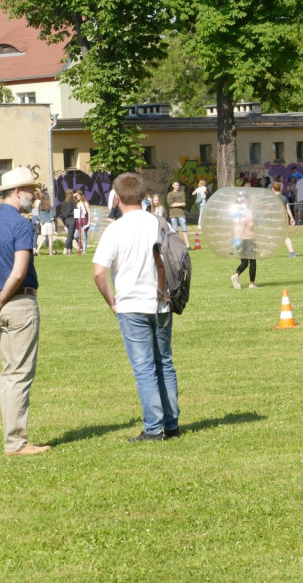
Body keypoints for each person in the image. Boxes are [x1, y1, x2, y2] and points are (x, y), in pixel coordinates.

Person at [92, 172, 181, 443]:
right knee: (164, 362)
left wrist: (112, 303)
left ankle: (153, 429)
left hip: (131, 305)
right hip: (161, 301)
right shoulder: (161, 223)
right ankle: (171, 423)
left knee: (144, 368)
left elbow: (99, 273)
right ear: (144, 196)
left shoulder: (116, 229)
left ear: (116, 198)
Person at [0, 167, 50, 456]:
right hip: (18, 303)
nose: (34, 196)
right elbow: (18, 271)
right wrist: (1, 299)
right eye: (30, 190)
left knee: (8, 373)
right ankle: (16, 442)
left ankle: (13, 437)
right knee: (19, 374)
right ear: (16, 192)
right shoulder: (22, 224)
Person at [230, 193, 257, 289]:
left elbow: (234, 227)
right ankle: (252, 283)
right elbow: (250, 225)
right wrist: (254, 220)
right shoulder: (247, 211)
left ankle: (236, 275)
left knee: (244, 262)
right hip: (248, 238)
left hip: (238, 240)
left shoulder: (236, 213)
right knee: (252, 261)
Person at [272, 182, 297, 258]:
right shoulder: (284, 198)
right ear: (280, 188)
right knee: (285, 236)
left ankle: (263, 253)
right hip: (282, 219)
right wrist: (292, 218)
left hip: (274, 219)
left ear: (273, 189)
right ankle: (292, 253)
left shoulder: (272, 198)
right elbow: (288, 209)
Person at [166, 181, 191, 247]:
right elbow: (170, 204)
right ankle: (179, 245)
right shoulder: (170, 194)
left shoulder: (182, 193)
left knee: (184, 229)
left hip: (181, 213)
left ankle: (188, 245)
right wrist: (180, 204)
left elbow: (184, 203)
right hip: (173, 214)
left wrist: (176, 204)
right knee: (175, 230)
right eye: (176, 185)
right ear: (173, 186)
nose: (177, 186)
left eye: (178, 185)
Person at [34, 192, 56, 256]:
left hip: (42, 223)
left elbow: (37, 215)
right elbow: (51, 217)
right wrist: (53, 224)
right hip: (49, 223)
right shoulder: (50, 206)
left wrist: (38, 220)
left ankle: (37, 250)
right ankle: (50, 252)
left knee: (43, 237)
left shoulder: (40, 206)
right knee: (50, 238)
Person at [59, 189, 77, 255]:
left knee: (70, 234)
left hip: (66, 220)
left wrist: (64, 222)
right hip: (72, 219)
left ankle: (70, 250)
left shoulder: (64, 202)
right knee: (70, 235)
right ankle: (65, 249)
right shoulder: (72, 201)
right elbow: (76, 210)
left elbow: (62, 213)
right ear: (72, 194)